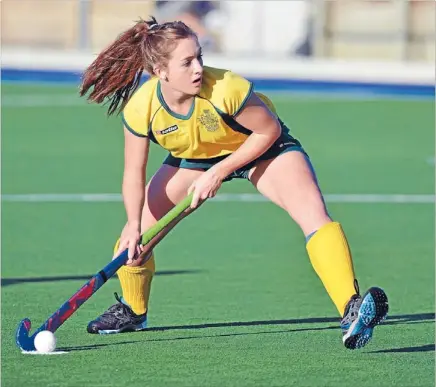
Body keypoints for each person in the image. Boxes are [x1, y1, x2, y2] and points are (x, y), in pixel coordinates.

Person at [79, 17, 388, 350]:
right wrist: (135, 224)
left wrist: (220, 171)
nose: (198, 67)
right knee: (131, 245)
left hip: (259, 148)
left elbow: (267, 131)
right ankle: (133, 311)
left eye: (199, 56)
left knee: (313, 215)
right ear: (160, 71)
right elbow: (132, 173)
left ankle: (351, 308)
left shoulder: (225, 88)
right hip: (194, 160)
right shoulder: (142, 108)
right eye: (187, 62)